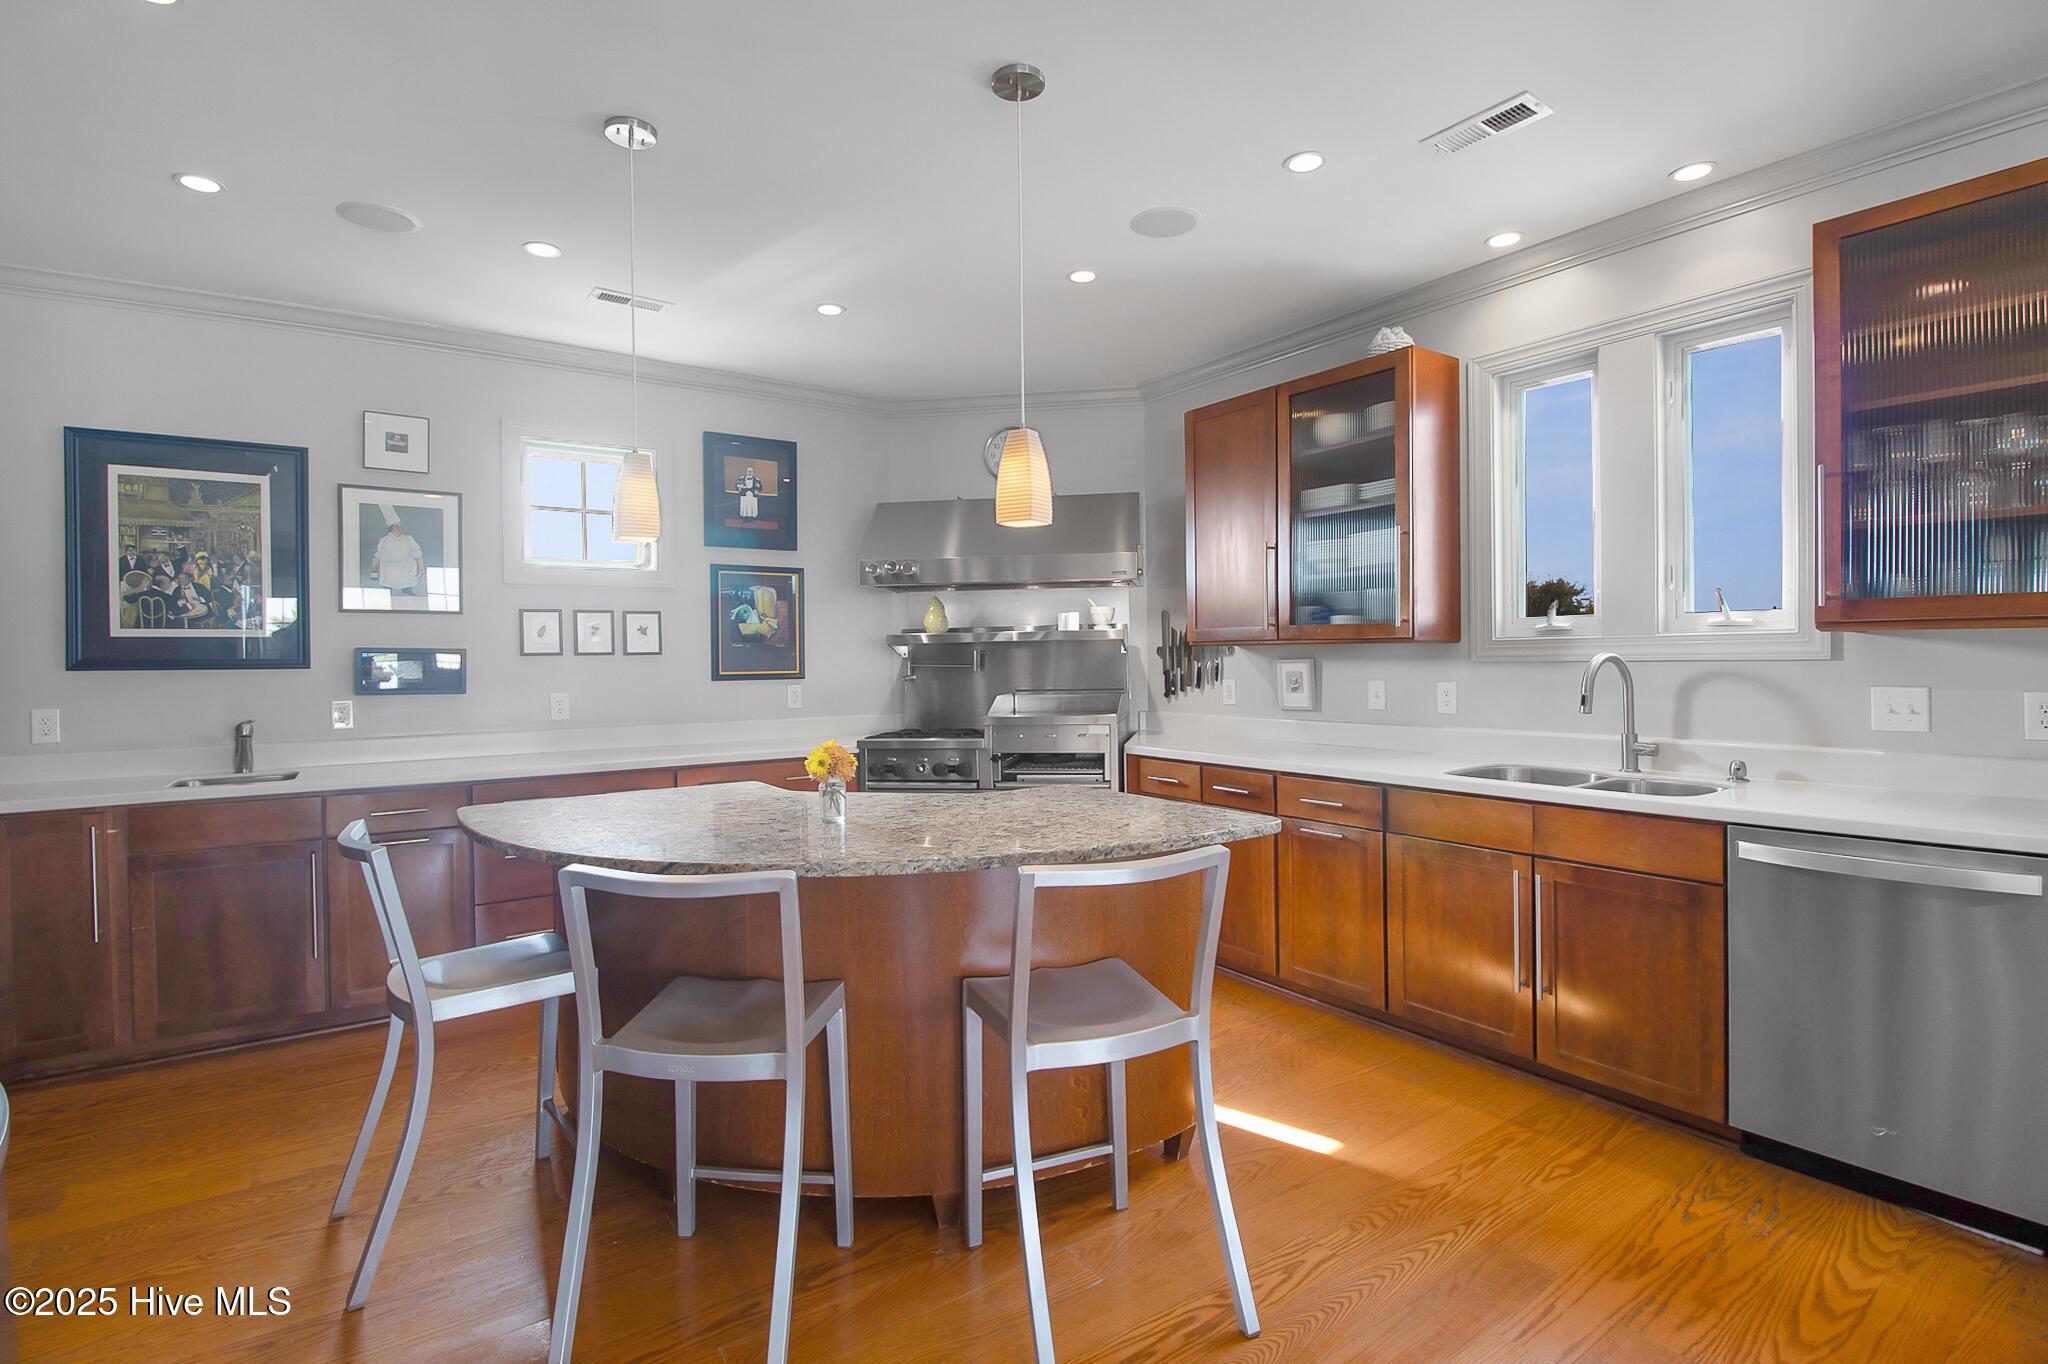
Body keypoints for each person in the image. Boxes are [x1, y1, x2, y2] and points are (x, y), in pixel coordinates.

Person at [370, 518, 425, 597]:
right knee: (386, 590)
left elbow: (418, 554)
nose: (399, 528)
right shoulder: (384, 540)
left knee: (407, 589)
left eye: (399, 526)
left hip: (406, 569)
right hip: (388, 571)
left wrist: (421, 568)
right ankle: (387, 592)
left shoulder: (408, 539)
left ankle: (407, 591)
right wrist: (374, 567)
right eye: (396, 526)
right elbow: (378, 556)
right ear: (391, 528)